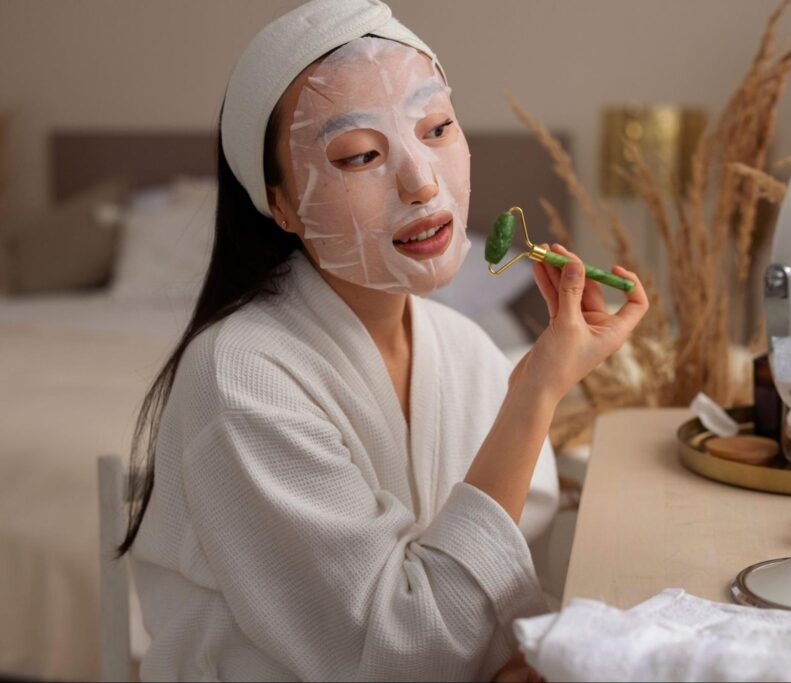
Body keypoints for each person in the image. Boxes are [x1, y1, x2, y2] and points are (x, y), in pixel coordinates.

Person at [122, 1, 648, 680]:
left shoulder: (466, 351)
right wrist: (536, 389)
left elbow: (512, 592)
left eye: (437, 128)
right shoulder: (240, 380)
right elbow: (400, 654)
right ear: (277, 203)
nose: (422, 180)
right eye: (360, 154)